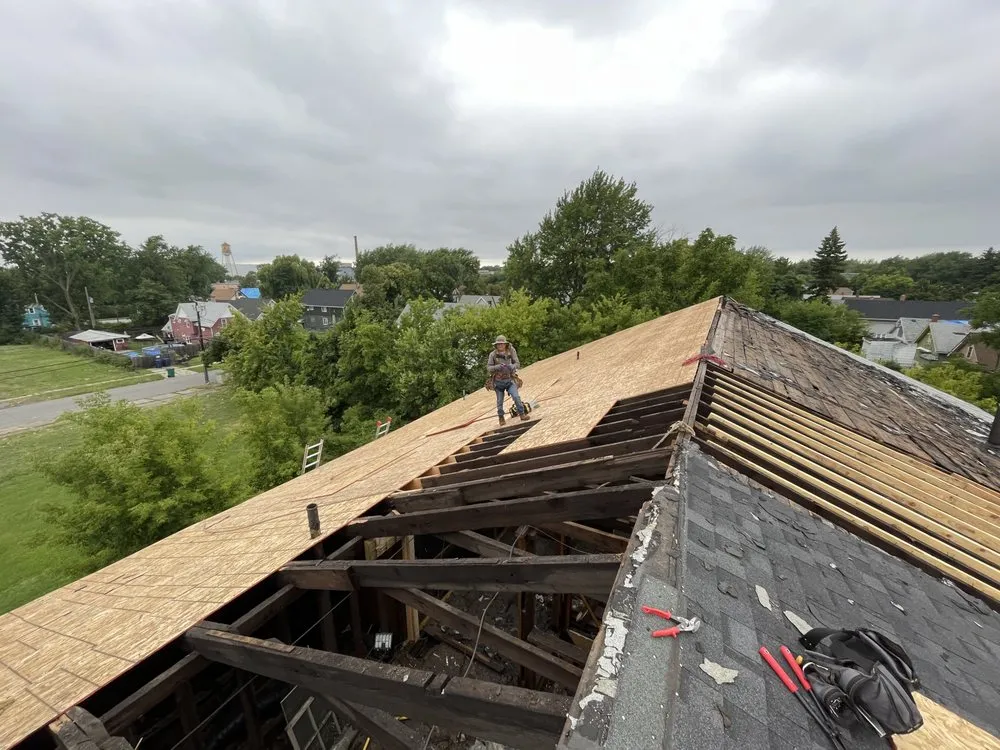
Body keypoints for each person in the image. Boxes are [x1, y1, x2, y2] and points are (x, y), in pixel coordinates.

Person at [487, 335, 528, 425]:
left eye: (502, 344)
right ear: (496, 345)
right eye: (498, 344)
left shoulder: (511, 351)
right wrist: (497, 367)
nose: (500, 345)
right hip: (498, 382)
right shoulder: (492, 354)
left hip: (510, 379)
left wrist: (512, 366)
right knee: (499, 402)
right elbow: (489, 368)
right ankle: (501, 417)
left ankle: (522, 414)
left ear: (505, 344)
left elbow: (517, 363)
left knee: (516, 397)